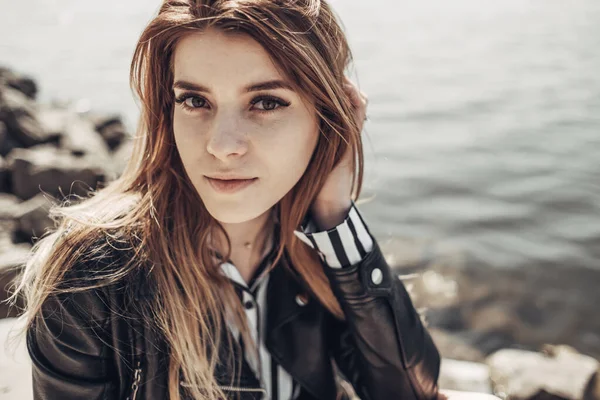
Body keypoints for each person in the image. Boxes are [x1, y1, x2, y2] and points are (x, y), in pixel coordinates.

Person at [8, 0, 441, 399]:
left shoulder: (319, 253)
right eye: (195, 100)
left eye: (266, 103)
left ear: (327, 117)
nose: (221, 145)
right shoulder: (93, 274)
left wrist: (335, 215)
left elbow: (408, 391)